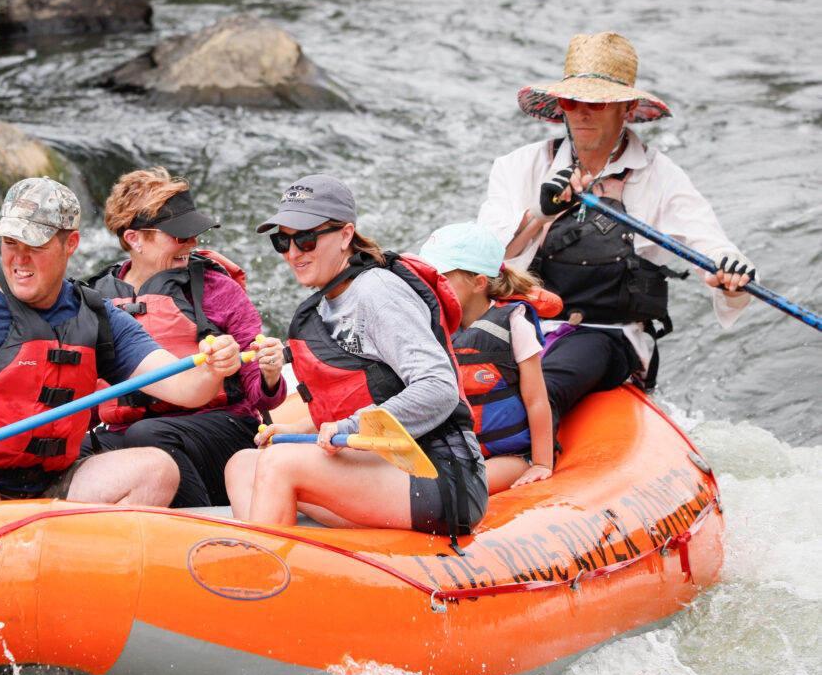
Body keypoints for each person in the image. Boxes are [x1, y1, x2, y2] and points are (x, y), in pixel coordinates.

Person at [0, 176, 243, 520]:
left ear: (70, 243)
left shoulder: (96, 317)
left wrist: (212, 369)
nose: (19, 259)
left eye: (35, 245)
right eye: (10, 243)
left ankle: (74, 571)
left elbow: (184, 389)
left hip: (47, 483)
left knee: (157, 469)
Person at [477, 31, 756, 421]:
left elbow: (711, 246)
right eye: (573, 101)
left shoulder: (662, 177)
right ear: (561, 106)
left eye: (598, 103)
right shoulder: (517, 166)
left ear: (625, 109)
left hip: (608, 337)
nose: (582, 114)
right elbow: (483, 263)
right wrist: (539, 214)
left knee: (541, 389)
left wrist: (729, 269)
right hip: (523, 323)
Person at [224, 174, 487, 537]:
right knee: (241, 464)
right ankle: (298, 561)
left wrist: (350, 427)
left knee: (279, 464)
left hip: (438, 473)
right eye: (282, 240)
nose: (293, 253)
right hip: (378, 466)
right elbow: (368, 392)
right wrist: (297, 429)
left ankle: (261, 575)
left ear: (346, 235)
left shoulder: (377, 292)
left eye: (306, 238)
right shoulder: (327, 302)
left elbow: (439, 387)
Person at [81, 167, 287, 507]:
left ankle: (200, 527)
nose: (192, 244)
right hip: (130, 432)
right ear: (135, 238)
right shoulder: (95, 300)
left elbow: (262, 398)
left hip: (222, 431)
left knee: (149, 434)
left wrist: (270, 375)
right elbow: (85, 398)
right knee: (74, 453)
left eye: (192, 234)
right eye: (179, 236)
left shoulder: (217, 289)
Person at [417, 222, 555, 493]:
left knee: (454, 492)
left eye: (441, 277)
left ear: (479, 282)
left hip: (508, 458)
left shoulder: (513, 325)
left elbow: (537, 400)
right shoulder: (431, 325)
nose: (430, 286)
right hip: (453, 452)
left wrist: (541, 463)